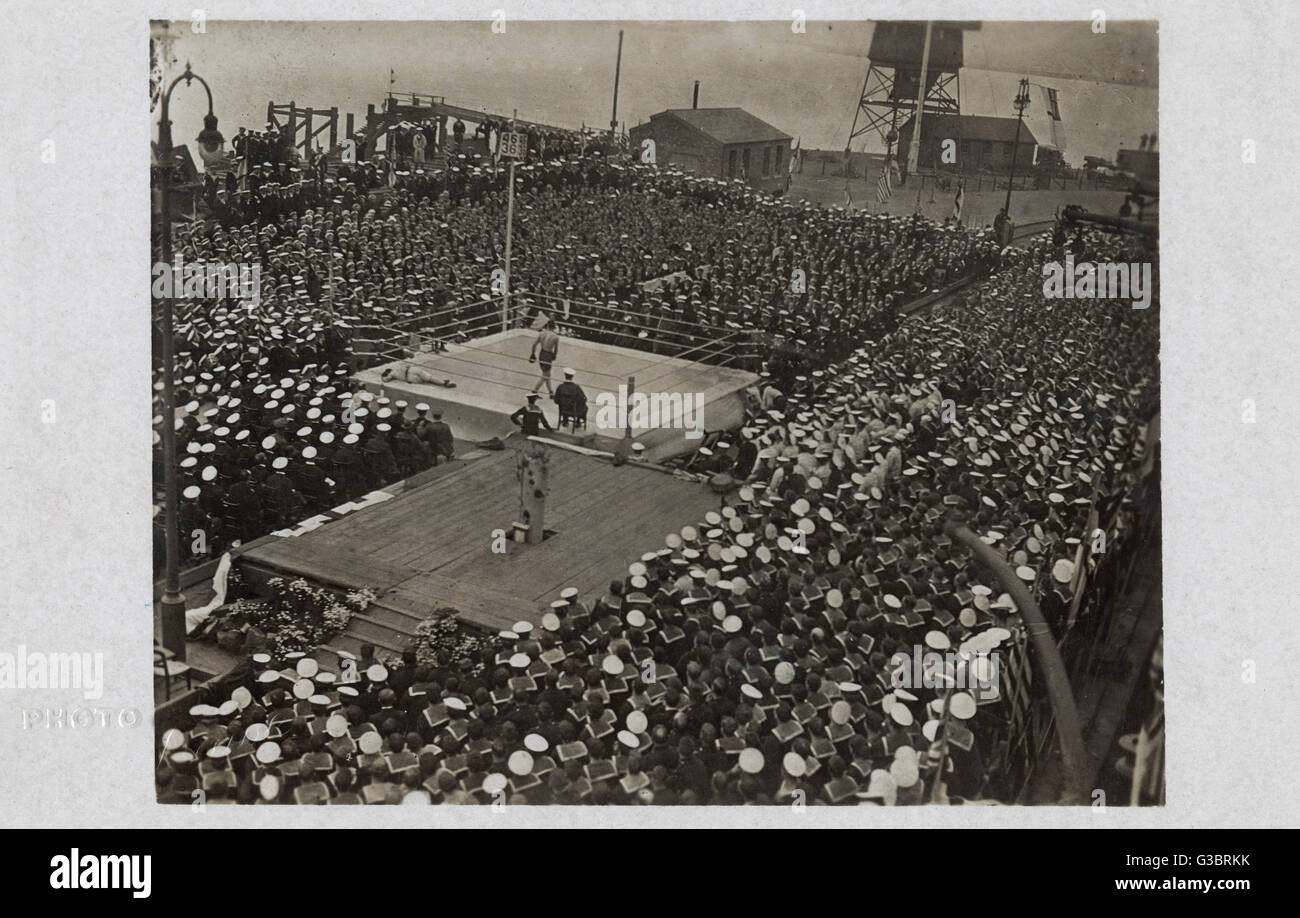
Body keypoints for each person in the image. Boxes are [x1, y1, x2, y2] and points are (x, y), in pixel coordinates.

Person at [528, 313, 560, 396]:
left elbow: (534, 344)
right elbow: (556, 349)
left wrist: (533, 354)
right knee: (546, 375)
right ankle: (534, 390)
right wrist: (554, 356)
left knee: (547, 374)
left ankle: (551, 392)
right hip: (548, 355)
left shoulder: (541, 334)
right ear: (554, 327)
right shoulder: (555, 337)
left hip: (542, 353)